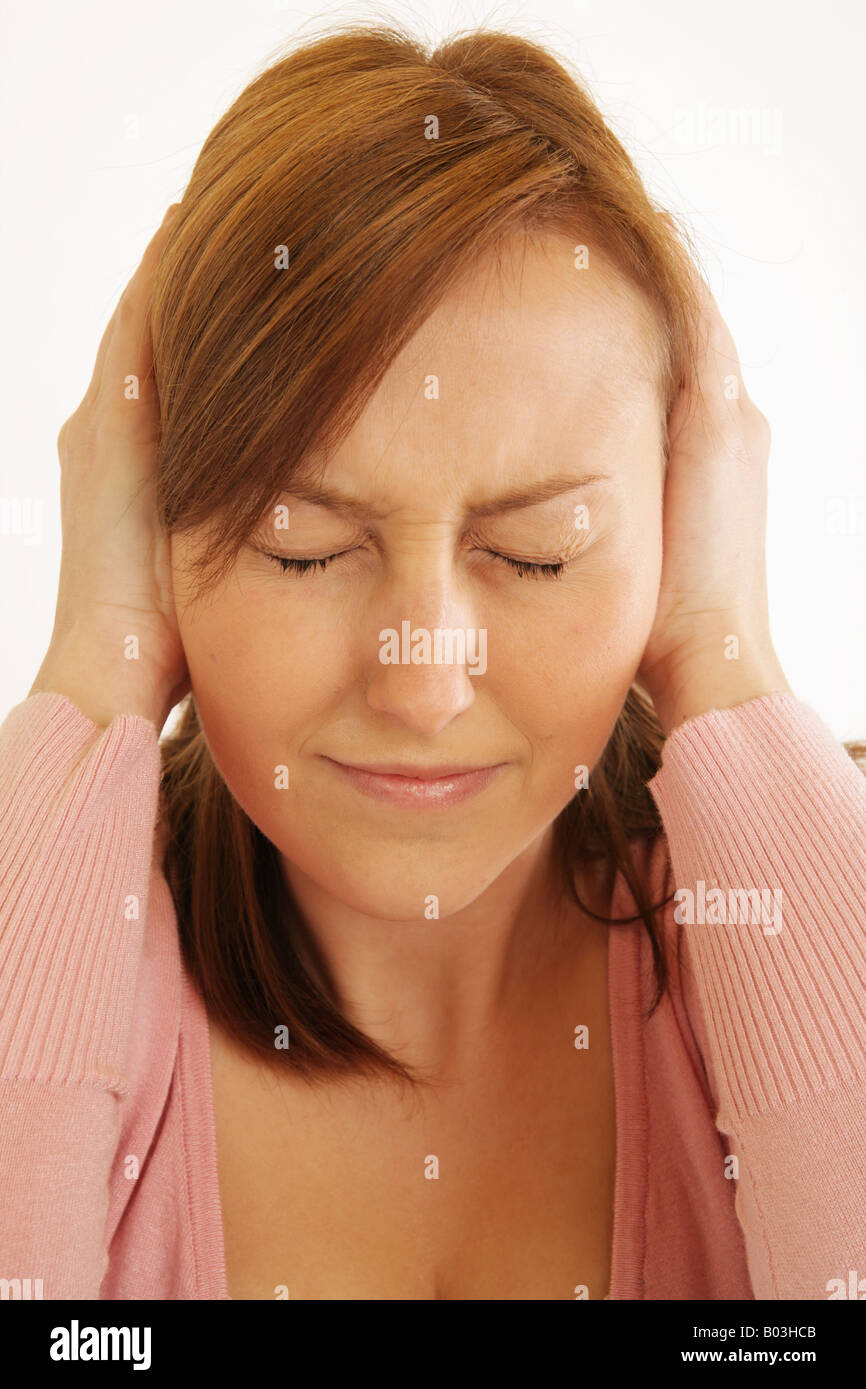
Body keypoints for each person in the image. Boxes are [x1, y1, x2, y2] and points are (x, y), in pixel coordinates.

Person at [2, 22, 865, 1301]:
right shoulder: (66, 935)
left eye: (535, 551)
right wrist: (95, 666)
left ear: (684, 517)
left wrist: (719, 660)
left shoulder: (798, 898)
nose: (421, 678)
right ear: (151, 528)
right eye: (300, 547)